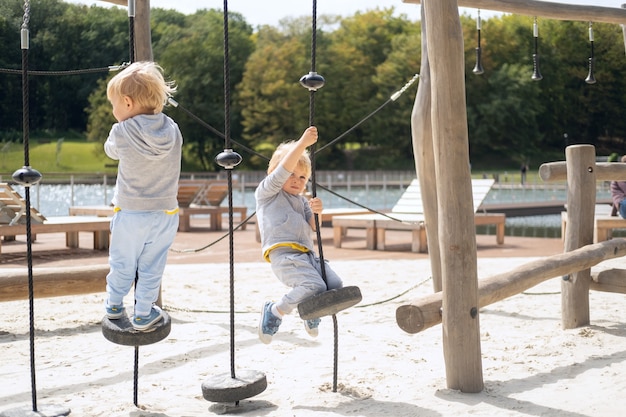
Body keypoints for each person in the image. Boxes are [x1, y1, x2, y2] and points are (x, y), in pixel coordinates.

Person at [103, 61, 182, 332]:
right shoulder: (172, 129)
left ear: (127, 102)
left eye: (113, 105)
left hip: (130, 213)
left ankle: (114, 305)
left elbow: (111, 151)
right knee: (152, 265)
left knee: (123, 261)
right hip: (165, 214)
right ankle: (143, 313)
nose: (113, 111)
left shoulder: (121, 131)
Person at [255, 126, 343, 344]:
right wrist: (302, 144)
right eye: (292, 174)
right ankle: (275, 311)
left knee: (334, 285)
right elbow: (281, 172)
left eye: (303, 177)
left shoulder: (302, 200)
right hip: (285, 256)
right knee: (316, 286)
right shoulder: (268, 193)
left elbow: (314, 227)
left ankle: (311, 311)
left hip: (307, 257)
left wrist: (317, 212)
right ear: (276, 172)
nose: (297, 180)